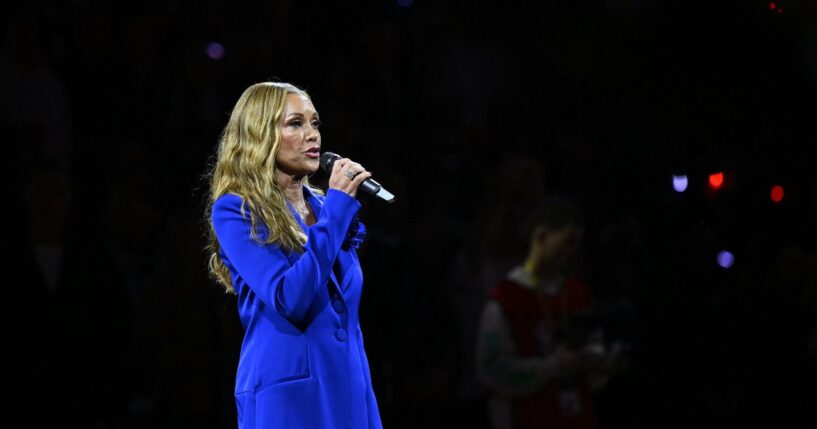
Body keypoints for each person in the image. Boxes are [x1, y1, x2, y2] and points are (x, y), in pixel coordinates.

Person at [205, 81, 382, 428]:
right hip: (288, 397)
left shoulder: (324, 207)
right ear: (260, 135)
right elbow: (291, 297)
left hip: (347, 387)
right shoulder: (237, 211)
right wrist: (336, 211)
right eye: (295, 124)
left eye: (314, 123)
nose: (312, 134)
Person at [475, 196, 624, 429]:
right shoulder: (506, 299)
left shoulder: (577, 294)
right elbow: (490, 370)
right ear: (541, 237)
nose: (573, 252)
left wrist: (601, 363)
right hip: (528, 417)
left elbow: (591, 356)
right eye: (567, 242)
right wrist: (552, 367)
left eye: (577, 244)